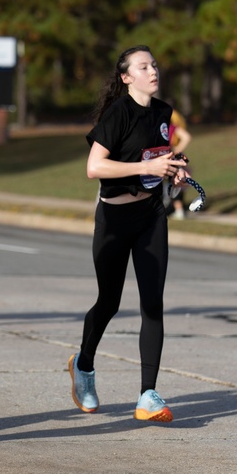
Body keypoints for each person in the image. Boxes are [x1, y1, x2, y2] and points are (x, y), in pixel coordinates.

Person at [68, 45, 188, 423]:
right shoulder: (118, 113)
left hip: (151, 215)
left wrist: (176, 171)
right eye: (143, 66)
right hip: (114, 220)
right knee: (109, 302)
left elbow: (159, 158)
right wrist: (146, 165)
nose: (153, 70)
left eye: (154, 64)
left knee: (153, 303)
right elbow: (94, 167)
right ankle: (83, 366)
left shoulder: (163, 112)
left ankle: (147, 395)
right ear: (126, 77)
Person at [166, 107, 193, 220]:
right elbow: (186, 137)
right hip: (174, 157)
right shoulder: (173, 126)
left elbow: (187, 137)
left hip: (166, 157)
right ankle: (178, 209)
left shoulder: (165, 127)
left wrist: (176, 149)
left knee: (173, 183)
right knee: (178, 182)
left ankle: (178, 210)